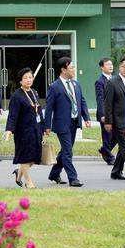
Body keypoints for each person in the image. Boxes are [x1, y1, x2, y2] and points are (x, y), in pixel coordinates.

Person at [44, 57, 90, 187]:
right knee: (68, 152)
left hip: (74, 122)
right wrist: (47, 126)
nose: (74, 70)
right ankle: (73, 178)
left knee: (65, 151)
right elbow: (49, 108)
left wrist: (86, 118)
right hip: (62, 124)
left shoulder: (76, 84)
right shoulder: (54, 87)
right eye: (72, 68)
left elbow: (82, 101)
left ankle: (54, 174)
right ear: (63, 70)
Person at [5, 68, 45, 188]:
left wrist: (44, 127)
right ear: (20, 81)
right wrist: (9, 130)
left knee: (34, 157)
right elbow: (12, 114)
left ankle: (19, 174)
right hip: (23, 131)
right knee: (25, 156)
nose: (29, 80)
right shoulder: (17, 96)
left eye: (30, 77)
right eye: (26, 78)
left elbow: (39, 112)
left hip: (36, 130)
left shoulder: (34, 92)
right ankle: (28, 182)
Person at [104, 58, 125, 189]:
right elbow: (108, 104)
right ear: (120, 67)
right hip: (118, 121)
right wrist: (108, 121)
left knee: (123, 148)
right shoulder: (112, 82)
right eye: (124, 67)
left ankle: (116, 171)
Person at [95, 57, 116, 165]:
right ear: (102, 67)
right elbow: (100, 99)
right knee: (107, 136)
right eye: (108, 64)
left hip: (116, 113)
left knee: (116, 135)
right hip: (105, 114)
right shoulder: (100, 82)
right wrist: (103, 114)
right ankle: (109, 157)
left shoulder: (115, 79)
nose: (111, 66)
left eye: (111, 64)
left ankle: (104, 150)